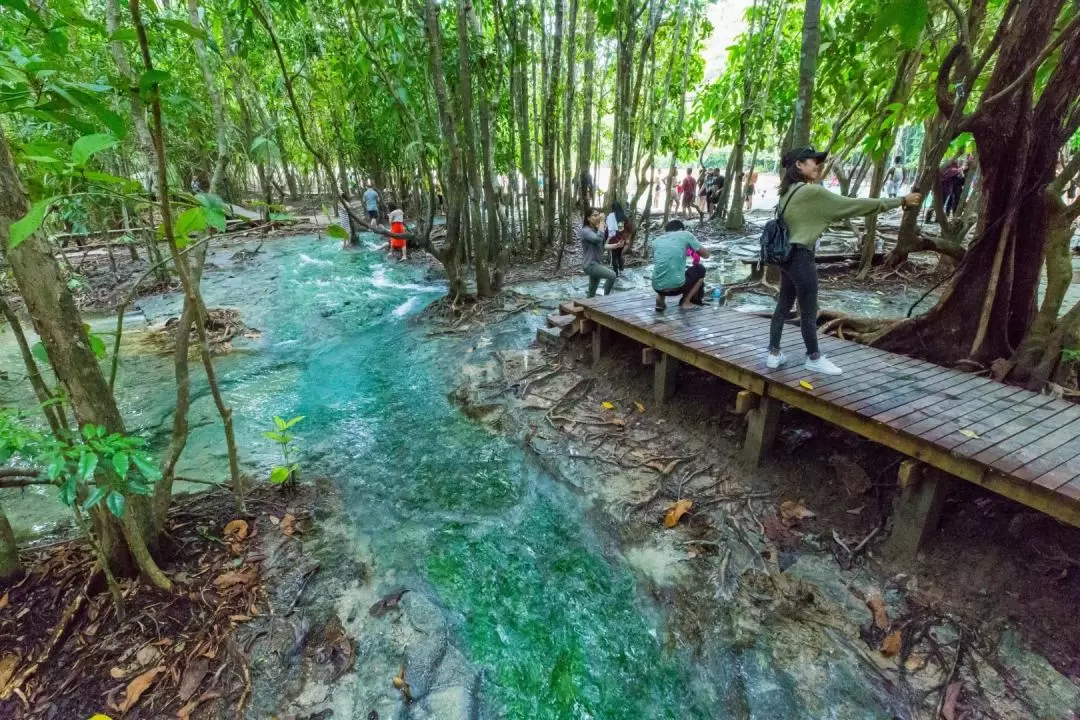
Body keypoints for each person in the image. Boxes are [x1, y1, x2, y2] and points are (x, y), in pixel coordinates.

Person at [766, 147, 922, 375]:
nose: (817, 165)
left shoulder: (786, 194)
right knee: (809, 312)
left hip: (786, 259)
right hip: (801, 258)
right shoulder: (812, 193)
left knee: (783, 306)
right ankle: (813, 357)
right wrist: (900, 201)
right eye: (813, 161)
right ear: (799, 165)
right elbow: (855, 205)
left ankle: (773, 354)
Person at [652, 219, 711, 311]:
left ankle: (660, 298)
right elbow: (706, 255)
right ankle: (685, 302)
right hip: (676, 287)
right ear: (681, 229)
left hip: (656, 287)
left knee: (664, 268)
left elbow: (664, 261)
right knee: (700, 269)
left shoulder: (656, 241)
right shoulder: (685, 234)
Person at [581, 208, 622, 298]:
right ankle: (605, 298)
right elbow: (597, 239)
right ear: (588, 218)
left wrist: (616, 245)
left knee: (592, 292)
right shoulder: (586, 231)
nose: (598, 217)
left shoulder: (596, 230)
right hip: (590, 265)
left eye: (598, 215)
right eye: (595, 215)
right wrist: (602, 222)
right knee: (612, 275)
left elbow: (602, 246)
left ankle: (587, 306)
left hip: (596, 264)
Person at [606, 201, 632, 277]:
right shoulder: (623, 217)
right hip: (621, 239)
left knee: (614, 256)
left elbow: (608, 227)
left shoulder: (611, 216)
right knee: (619, 254)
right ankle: (621, 269)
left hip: (613, 239)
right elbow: (623, 229)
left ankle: (615, 272)